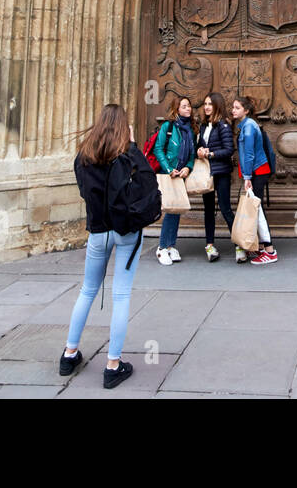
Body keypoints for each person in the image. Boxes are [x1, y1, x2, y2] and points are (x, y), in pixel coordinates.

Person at [62, 103, 148, 389]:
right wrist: (133, 146)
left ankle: (69, 353)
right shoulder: (126, 154)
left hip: (98, 231)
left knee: (87, 290)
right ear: (124, 127)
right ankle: (113, 365)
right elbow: (147, 182)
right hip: (125, 232)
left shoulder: (84, 157)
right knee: (121, 295)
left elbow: (84, 192)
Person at [231, 94, 277, 264]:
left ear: (246, 110)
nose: (233, 110)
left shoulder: (249, 127)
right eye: (233, 107)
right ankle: (261, 247)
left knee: (256, 210)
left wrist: (247, 177)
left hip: (257, 171)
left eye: (237, 108)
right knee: (256, 209)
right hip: (257, 171)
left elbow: (249, 154)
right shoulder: (246, 126)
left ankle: (270, 251)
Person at [153, 96, 195, 264]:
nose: (188, 109)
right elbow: (158, 148)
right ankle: (162, 247)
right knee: (171, 210)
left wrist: (188, 167)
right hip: (169, 173)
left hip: (181, 175)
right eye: (184, 106)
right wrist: (170, 169)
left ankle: (171, 246)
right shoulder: (168, 126)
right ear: (176, 109)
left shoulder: (190, 129)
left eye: (189, 106)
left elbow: (192, 154)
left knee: (177, 210)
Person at [196, 91, 236, 262]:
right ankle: (210, 245)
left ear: (217, 106)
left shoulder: (223, 126)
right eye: (205, 104)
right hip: (207, 173)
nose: (206, 107)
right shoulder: (204, 126)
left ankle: (240, 244)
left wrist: (210, 154)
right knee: (208, 210)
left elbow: (229, 150)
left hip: (221, 172)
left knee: (226, 209)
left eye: (210, 104)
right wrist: (199, 151)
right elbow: (199, 145)